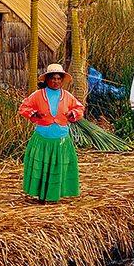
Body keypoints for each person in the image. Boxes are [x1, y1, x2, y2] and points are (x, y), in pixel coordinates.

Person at [19, 64, 85, 202]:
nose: (56, 81)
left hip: (61, 139)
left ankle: (54, 195)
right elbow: (24, 107)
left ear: (62, 80)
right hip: (42, 139)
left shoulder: (67, 96)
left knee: (58, 167)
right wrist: (34, 113)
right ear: (47, 80)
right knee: (42, 167)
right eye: (53, 78)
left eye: (58, 78)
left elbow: (79, 108)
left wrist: (72, 113)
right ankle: (41, 195)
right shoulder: (38, 95)